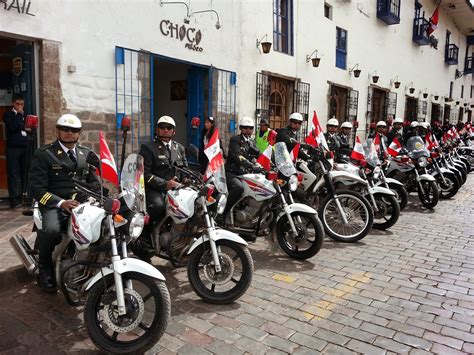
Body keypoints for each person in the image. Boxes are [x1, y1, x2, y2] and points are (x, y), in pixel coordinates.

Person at [28, 114, 99, 292]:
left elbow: (95, 182)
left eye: (74, 130)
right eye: (65, 129)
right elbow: (36, 189)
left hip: (82, 204)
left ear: (79, 133)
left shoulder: (85, 154)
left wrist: (100, 193)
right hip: (54, 204)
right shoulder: (44, 154)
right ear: (58, 130)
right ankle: (44, 267)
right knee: (51, 230)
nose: (69, 133)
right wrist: (61, 203)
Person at [140, 115, 187, 223]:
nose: (165, 130)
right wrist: (165, 184)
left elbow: (184, 169)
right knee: (158, 206)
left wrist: (186, 179)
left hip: (176, 188)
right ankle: (150, 232)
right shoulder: (148, 147)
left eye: (169, 128)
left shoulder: (179, 148)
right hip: (155, 188)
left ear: (173, 131)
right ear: (157, 130)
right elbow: (145, 174)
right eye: (162, 127)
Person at [219, 116, 260, 227]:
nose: (248, 130)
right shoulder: (235, 140)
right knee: (239, 188)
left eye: (250, 128)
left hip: (243, 174)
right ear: (241, 128)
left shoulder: (250, 142)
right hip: (231, 172)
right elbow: (237, 156)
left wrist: (270, 162)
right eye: (245, 128)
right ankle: (222, 214)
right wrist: (251, 165)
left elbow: (259, 154)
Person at [3, 94, 29, 208]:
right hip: (13, 147)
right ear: (13, 103)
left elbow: (29, 128)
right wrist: (19, 115)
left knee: (25, 172)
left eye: (22, 104)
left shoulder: (25, 115)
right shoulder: (8, 114)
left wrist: (29, 127)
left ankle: (23, 197)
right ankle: (14, 199)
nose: (20, 106)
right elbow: (12, 127)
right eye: (18, 104)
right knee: (13, 174)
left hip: (24, 146)